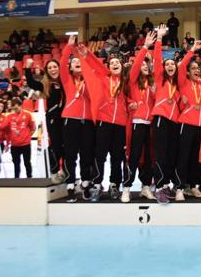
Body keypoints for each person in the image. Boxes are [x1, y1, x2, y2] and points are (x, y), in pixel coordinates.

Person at [78, 43, 129, 202]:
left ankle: (114, 184)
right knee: (100, 155)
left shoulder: (125, 82)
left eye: (117, 63)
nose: (115, 64)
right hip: (104, 122)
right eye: (112, 63)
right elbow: (96, 65)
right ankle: (97, 184)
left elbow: (132, 96)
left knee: (117, 156)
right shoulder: (104, 78)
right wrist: (87, 54)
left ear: (122, 66)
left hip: (120, 123)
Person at [122, 31, 157, 203]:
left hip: (150, 124)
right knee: (134, 156)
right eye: (142, 64)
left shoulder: (152, 83)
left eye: (146, 65)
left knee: (150, 157)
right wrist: (145, 47)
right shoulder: (133, 81)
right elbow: (135, 67)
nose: (144, 66)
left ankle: (145, 187)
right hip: (137, 123)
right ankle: (127, 188)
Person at [60, 36, 95, 203]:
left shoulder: (89, 81)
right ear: (70, 67)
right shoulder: (67, 80)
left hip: (87, 121)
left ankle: (86, 183)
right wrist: (69, 48)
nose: (76, 63)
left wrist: (84, 57)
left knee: (86, 154)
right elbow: (61, 66)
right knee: (70, 154)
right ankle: (70, 185)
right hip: (70, 120)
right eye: (74, 62)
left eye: (78, 61)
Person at [151, 25, 183, 202]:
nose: (170, 66)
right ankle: (161, 186)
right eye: (167, 64)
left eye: (173, 64)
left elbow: (183, 65)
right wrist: (159, 39)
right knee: (161, 153)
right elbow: (157, 60)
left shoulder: (177, 85)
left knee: (172, 154)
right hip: (161, 119)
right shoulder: (160, 80)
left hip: (174, 122)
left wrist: (192, 51)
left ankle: (168, 185)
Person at [25, 57, 65, 184]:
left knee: (67, 147)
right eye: (50, 68)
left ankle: (64, 171)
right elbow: (31, 83)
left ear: (59, 68)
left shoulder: (66, 81)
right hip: (53, 119)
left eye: (55, 66)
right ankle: (54, 171)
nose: (53, 69)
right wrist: (27, 68)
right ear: (47, 71)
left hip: (67, 119)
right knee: (55, 146)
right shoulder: (45, 84)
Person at [176, 40, 201, 198]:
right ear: (188, 72)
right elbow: (181, 67)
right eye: (193, 68)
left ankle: (193, 185)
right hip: (186, 123)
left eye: (198, 68)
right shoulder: (184, 82)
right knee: (183, 156)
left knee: (196, 157)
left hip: (200, 124)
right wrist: (192, 50)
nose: (196, 70)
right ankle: (180, 187)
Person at [0, 98, 36, 178]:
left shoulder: (27, 115)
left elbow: (33, 127)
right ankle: (16, 179)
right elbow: (3, 126)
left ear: (20, 106)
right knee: (16, 163)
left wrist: (28, 136)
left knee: (27, 162)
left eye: (16, 108)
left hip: (25, 144)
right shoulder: (9, 117)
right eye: (14, 109)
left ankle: (30, 178)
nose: (15, 110)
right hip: (14, 144)